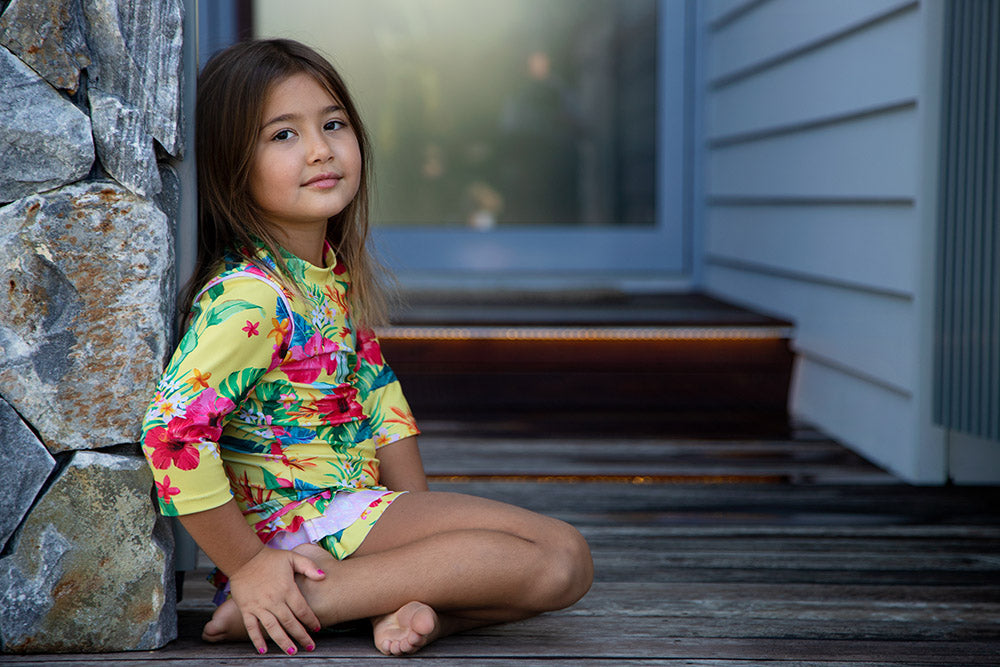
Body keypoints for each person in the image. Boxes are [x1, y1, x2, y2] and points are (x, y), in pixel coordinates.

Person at [139, 38, 593, 658]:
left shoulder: (324, 281)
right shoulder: (252, 299)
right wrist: (248, 569)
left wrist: (422, 552)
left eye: (332, 124)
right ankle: (296, 603)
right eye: (282, 135)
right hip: (306, 528)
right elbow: (172, 434)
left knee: (551, 563)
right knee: (562, 557)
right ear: (229, 165)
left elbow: (384, 407)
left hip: (351, 515)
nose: (320, 149)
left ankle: (398, 602)